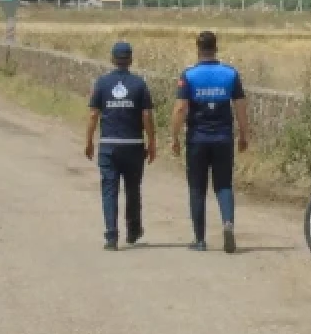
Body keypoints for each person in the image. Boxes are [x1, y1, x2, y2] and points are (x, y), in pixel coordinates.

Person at [171, 30, 250, 253]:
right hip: (223, 138)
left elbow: (180, 109)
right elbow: (241, 107)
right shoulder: (230, 74)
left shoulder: (189, 75)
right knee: (224, 184)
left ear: (198, 49)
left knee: (197, 188)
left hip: (197, 139)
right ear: (216, 48)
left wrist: (174, 137)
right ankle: (227, 224)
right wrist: (244, 135)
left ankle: (200, 239)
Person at [85, 41, 157, 251]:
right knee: (133, 189)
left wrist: (89, 141)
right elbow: (146, 115)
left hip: (108, 145)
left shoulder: (102, 83)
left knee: (109, 190)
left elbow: (93, 114)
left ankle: (111, 236)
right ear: (130, 59)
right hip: (134, 145)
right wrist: (152, 141)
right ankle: (133, 230)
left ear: (113, 59)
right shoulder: (139, 84)